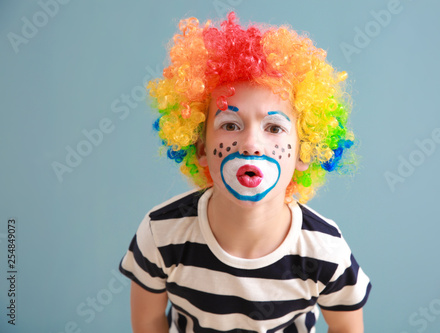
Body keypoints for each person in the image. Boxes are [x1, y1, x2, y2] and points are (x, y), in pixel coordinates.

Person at [119, 12, 371, 333]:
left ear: (305, 151)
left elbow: (348, 328)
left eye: (274, 127)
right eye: (230, 125)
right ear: (200, 148)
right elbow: (148, 322)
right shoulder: (162, 233)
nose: (251, 143)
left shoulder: (324, 249)